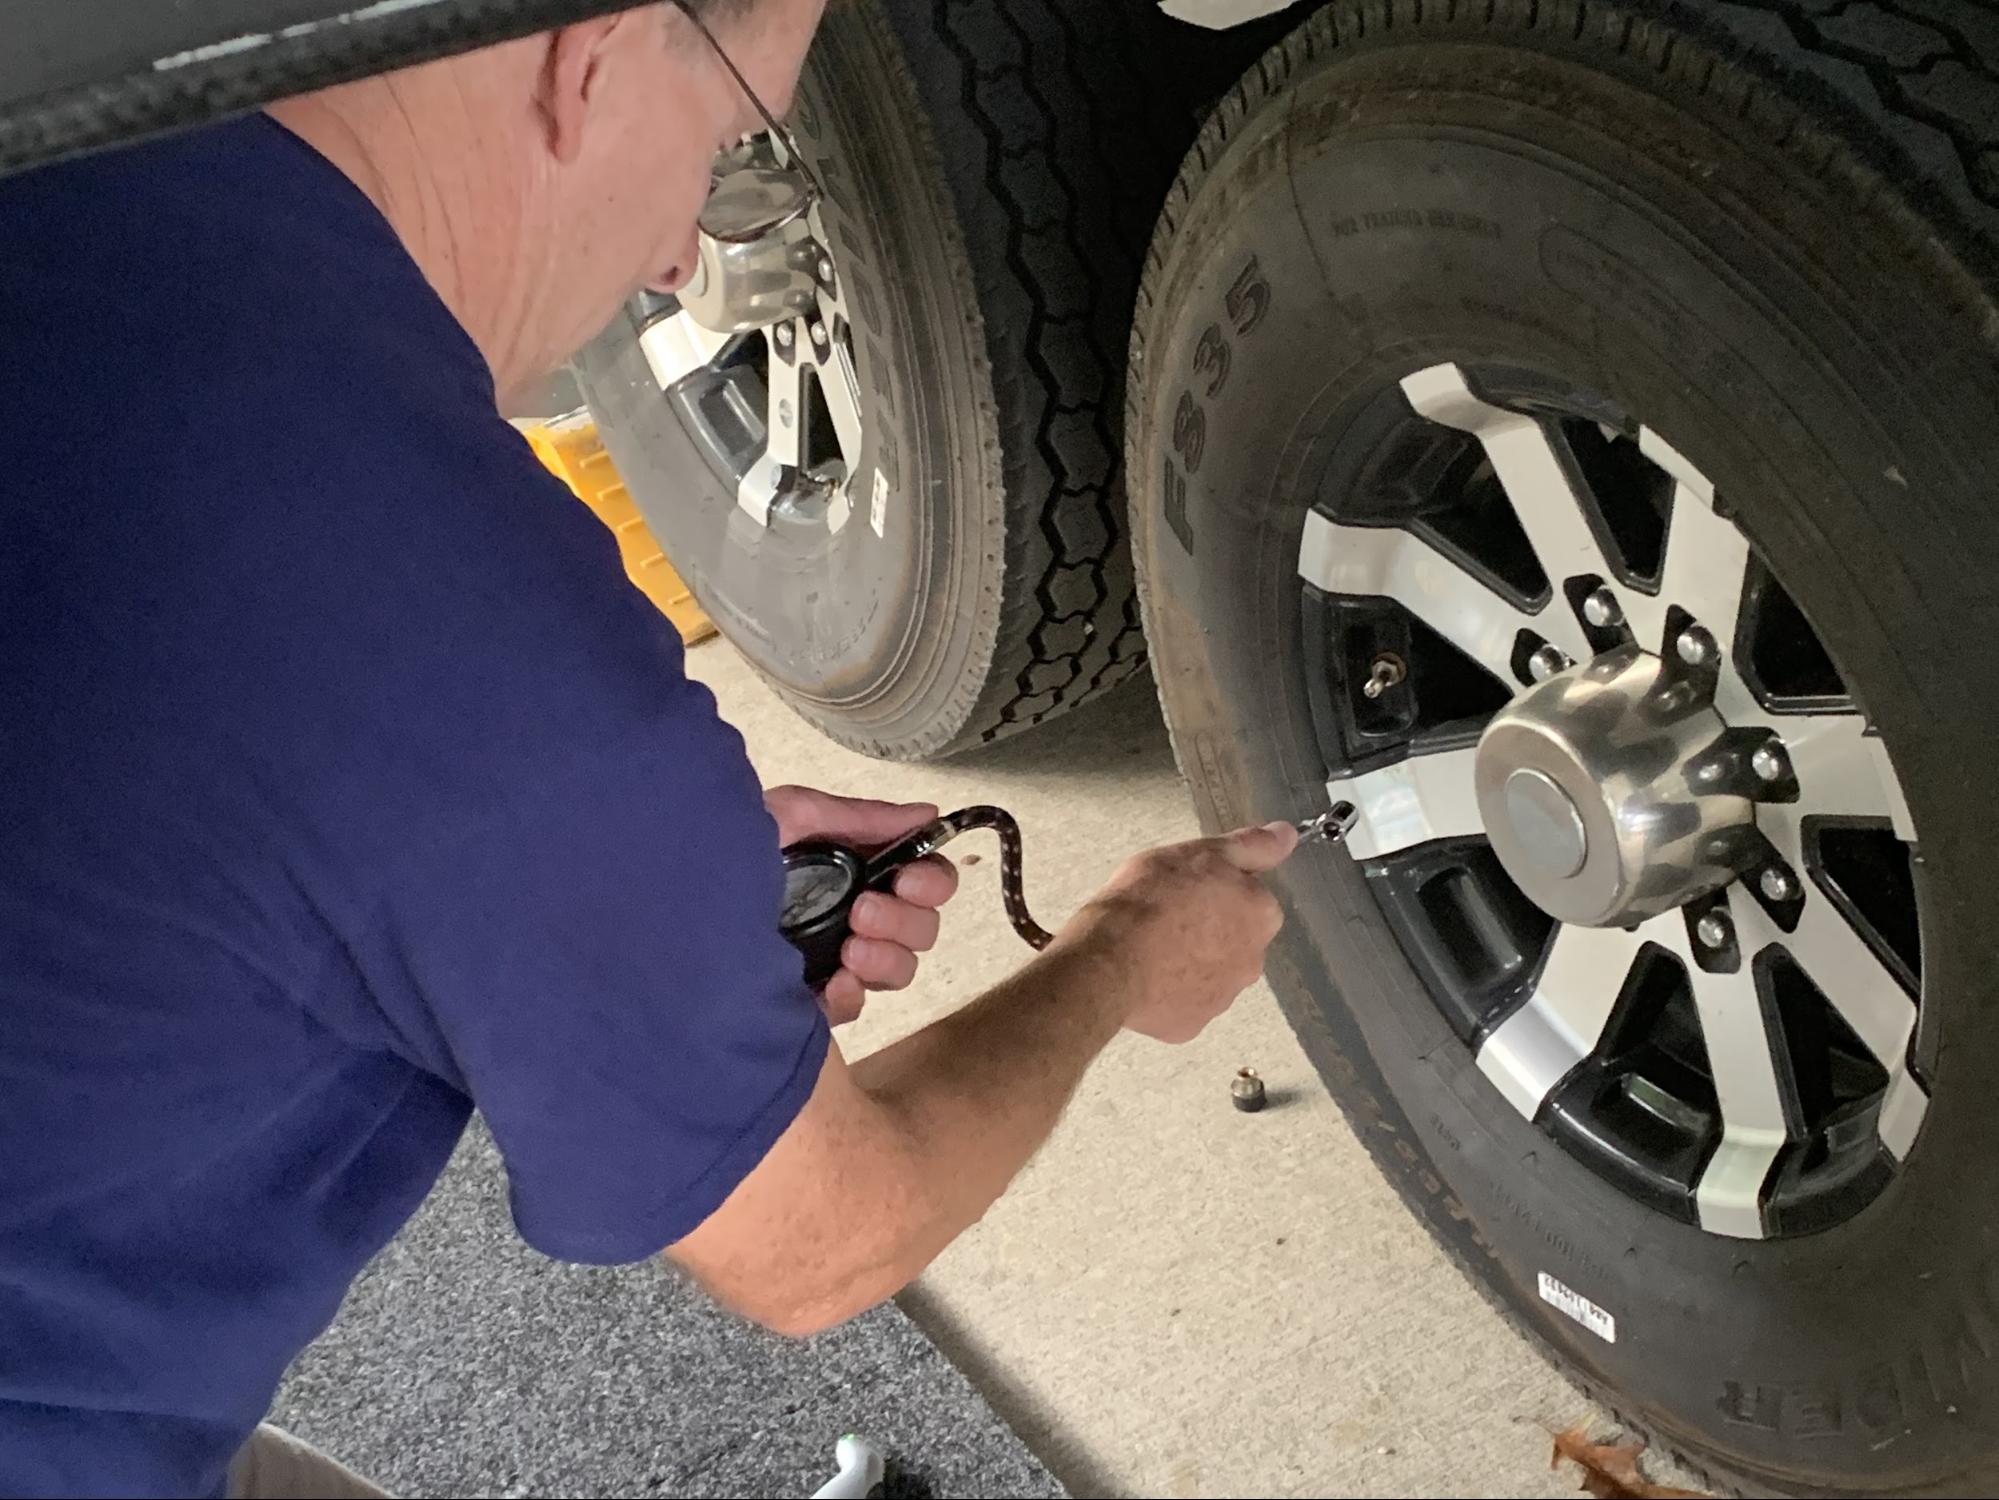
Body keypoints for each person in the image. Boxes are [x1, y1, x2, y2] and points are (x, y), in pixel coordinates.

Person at [0, 1, 1297, 1494]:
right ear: (593, 51)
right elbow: (822, 1245)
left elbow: (247, 790)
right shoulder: (476, 643)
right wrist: (1127, 953)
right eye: (739, 134)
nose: (692, 253)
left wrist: (586, 869)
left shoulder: (69, 163)